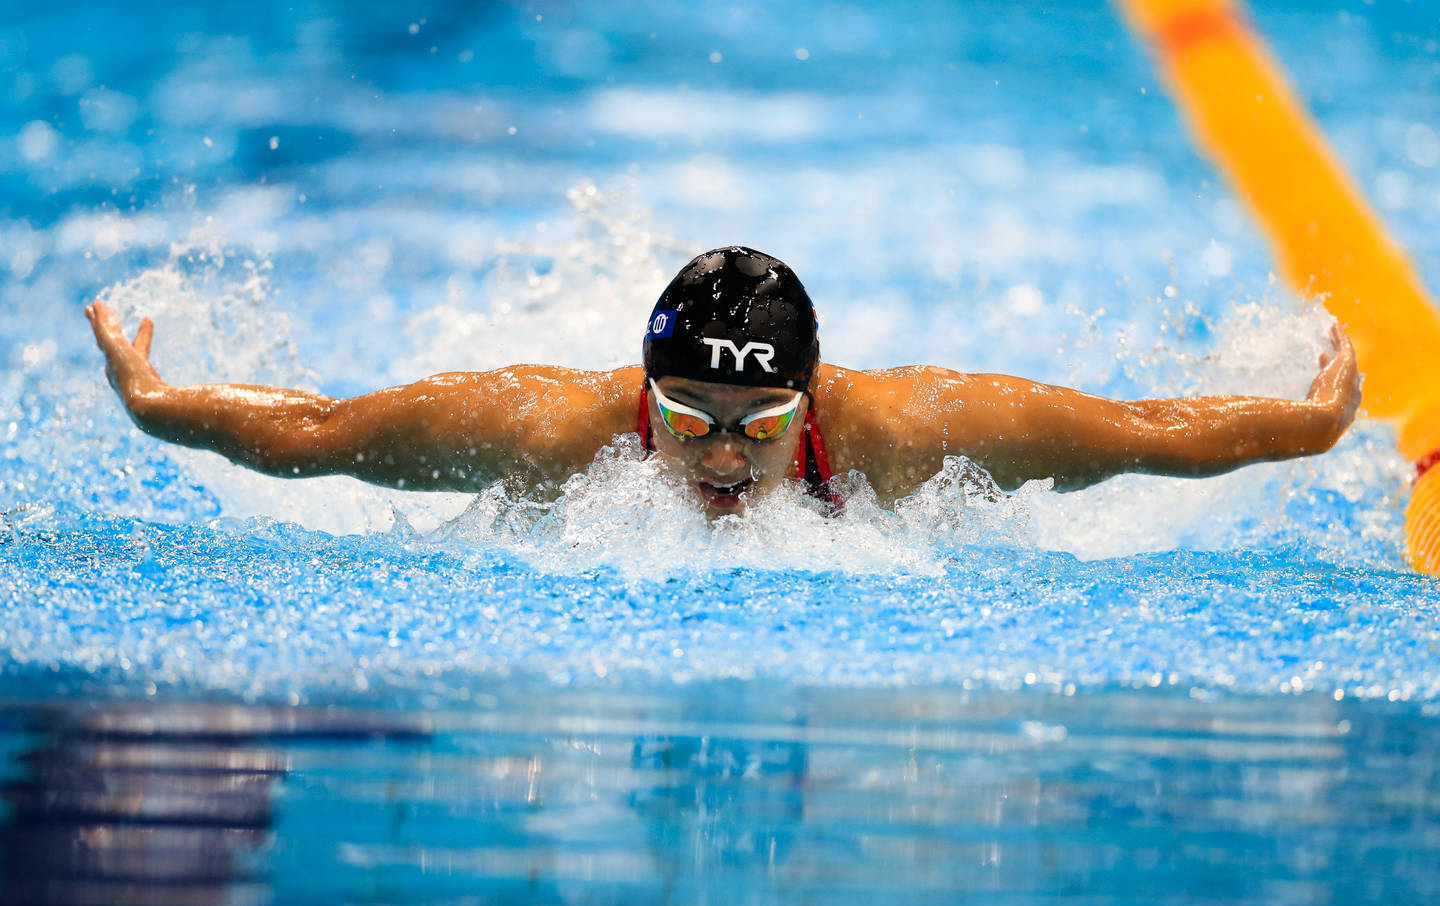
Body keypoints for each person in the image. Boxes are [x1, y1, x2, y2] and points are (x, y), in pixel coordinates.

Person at [86, 245, 1359, 517]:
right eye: (690, 418)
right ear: (648, 393)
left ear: (814, 395)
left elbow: (1140, 432)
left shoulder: (904, 431)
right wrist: (159, 404)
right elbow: (316, 433)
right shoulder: (546, 431)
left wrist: (1308, 429)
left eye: (761, 421)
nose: (724, 456)